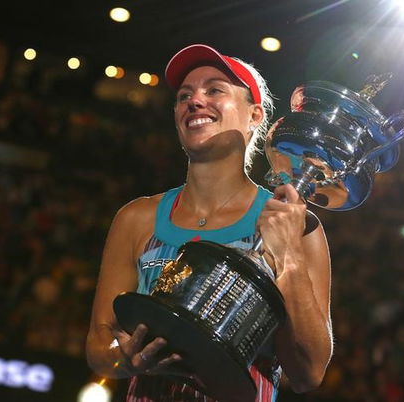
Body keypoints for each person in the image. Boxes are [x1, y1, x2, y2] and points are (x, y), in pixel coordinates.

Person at [86, 44, 333, 401]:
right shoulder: (136, 218)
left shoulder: (294, 224)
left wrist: (289, 257)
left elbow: (308, 373)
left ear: (254, 116)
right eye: (185, 95)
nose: (195, 100)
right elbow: (98, 344)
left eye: (214, 89)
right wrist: (121, 356)